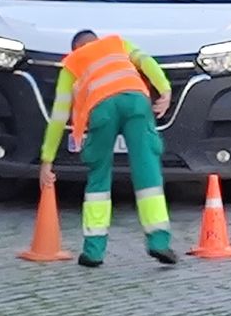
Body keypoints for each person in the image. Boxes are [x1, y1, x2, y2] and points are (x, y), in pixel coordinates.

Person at [39, 30, 176, 267]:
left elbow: (59, 116)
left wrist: (47, 159)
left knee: (99, 176)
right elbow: (146, 61)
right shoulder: (116, 43)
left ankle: (93, 252)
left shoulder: (71, 64)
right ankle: (159, 242)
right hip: (137, 102)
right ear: (97, 40)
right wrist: (164, 89)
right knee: (148, 171)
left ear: (74, 49)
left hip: (101, 109)